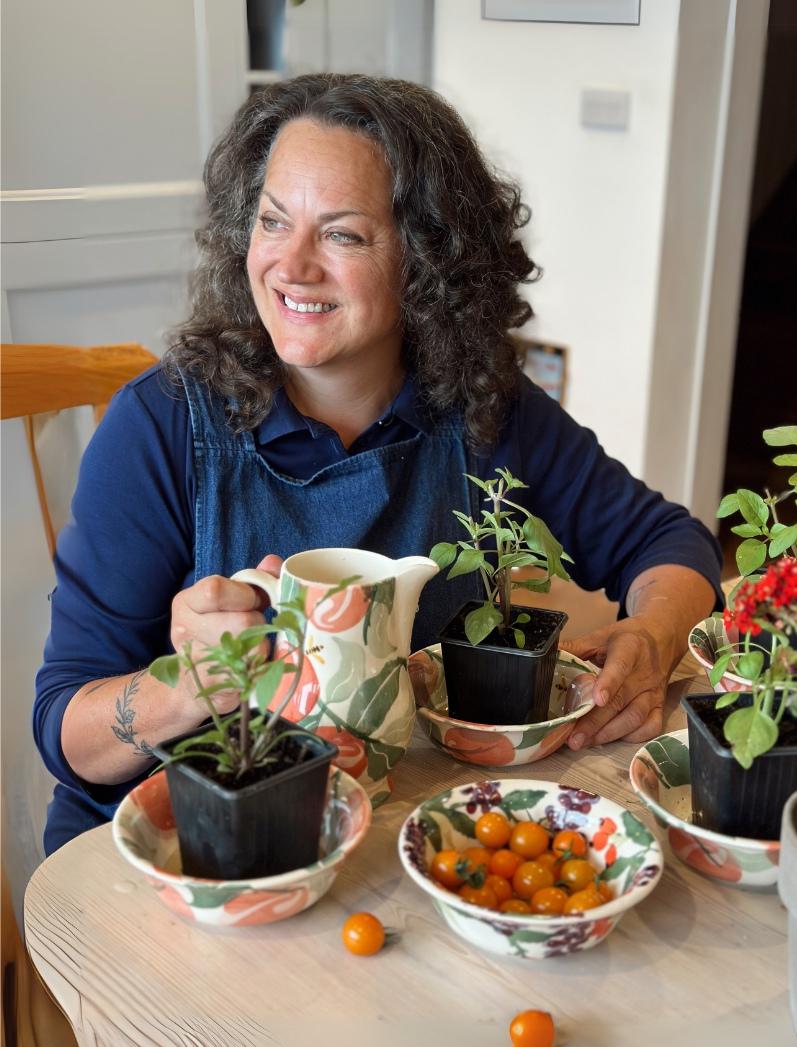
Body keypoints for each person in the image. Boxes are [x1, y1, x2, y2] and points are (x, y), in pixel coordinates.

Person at [34, 74, 721, 854]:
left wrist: (652, 635)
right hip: (181, 858)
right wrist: (187, 687)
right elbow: (68, 733)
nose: (291, 265)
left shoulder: (480, 405)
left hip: (394, 830)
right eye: (272, 221)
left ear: (425, 260)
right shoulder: (160, 424)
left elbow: (668, 540)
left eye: (342, 235)